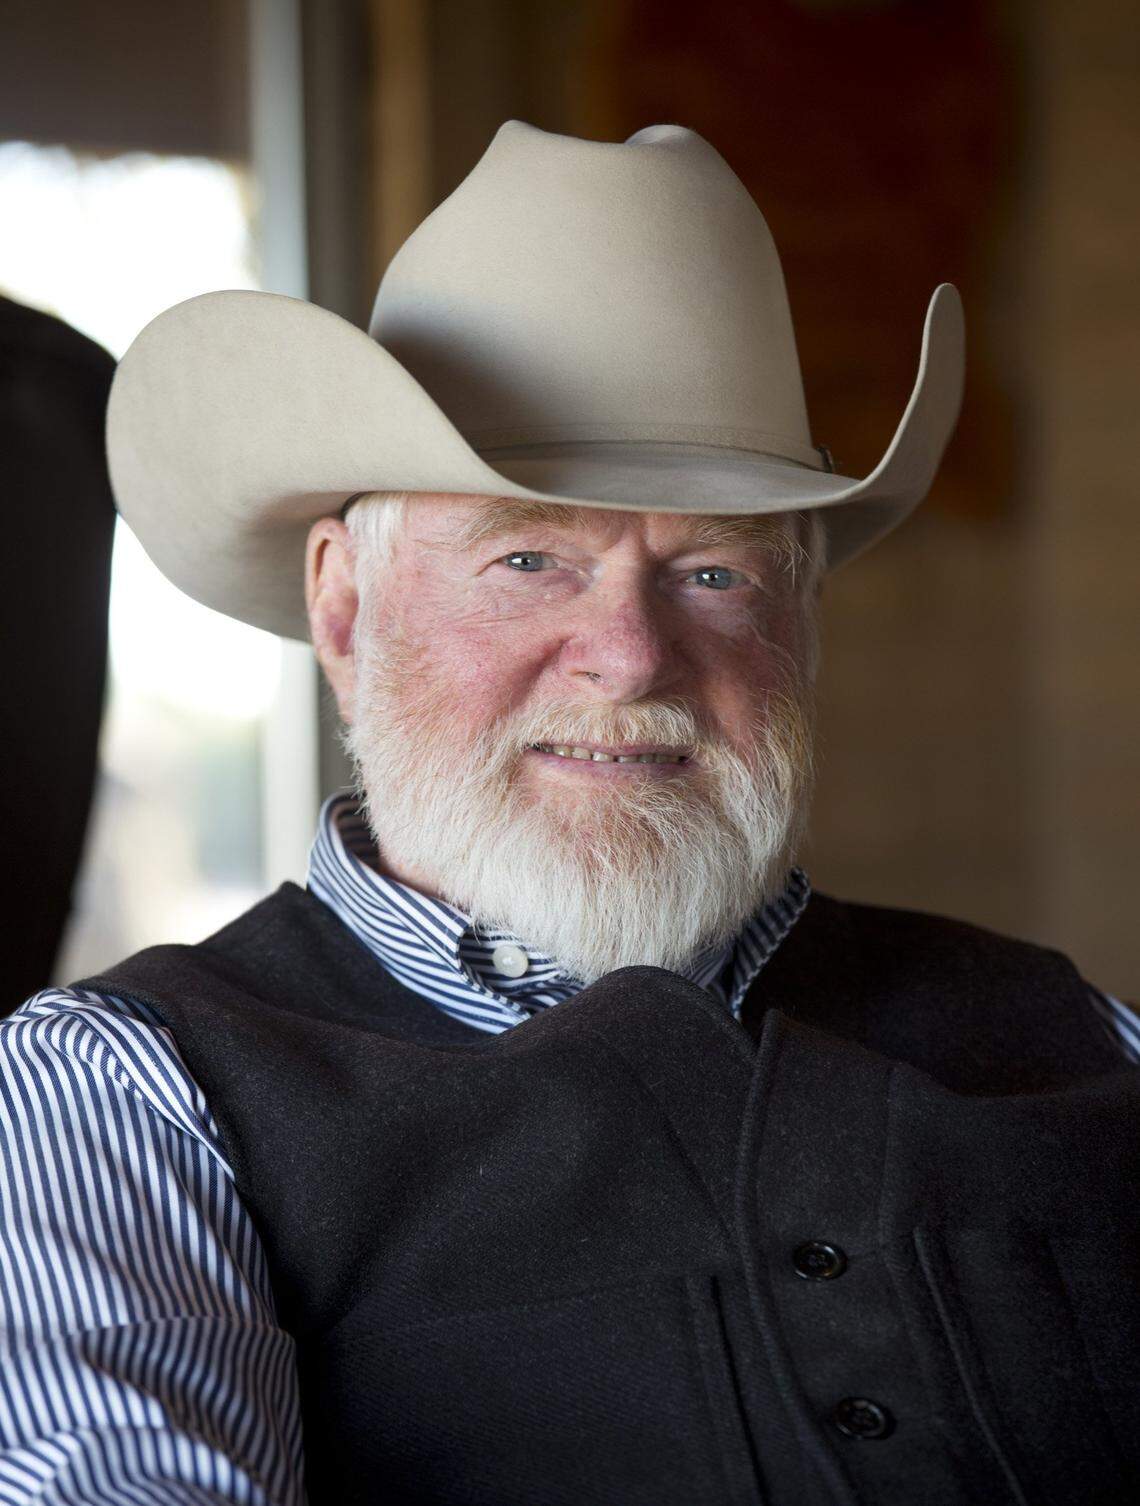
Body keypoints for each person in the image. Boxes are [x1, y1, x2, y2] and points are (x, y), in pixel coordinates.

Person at [1, 120, 1136, 1506]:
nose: (634, 655)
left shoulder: (1083, 1029)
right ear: (343, 607)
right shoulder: (133, 1093)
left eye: (713, 573)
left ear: (806, 625)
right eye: (531, 556)